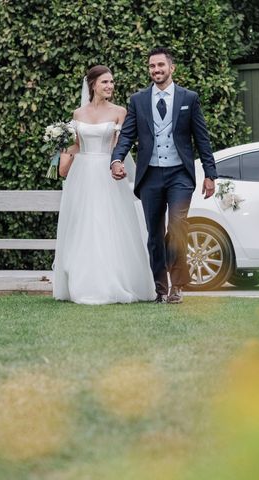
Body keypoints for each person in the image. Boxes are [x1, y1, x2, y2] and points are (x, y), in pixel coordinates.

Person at [111, 47, 217, 304]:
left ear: (172, 68)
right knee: (155, 235)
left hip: (179, 174)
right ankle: (160, 288)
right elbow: (127, 134)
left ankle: (177, 286)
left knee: (178, 227)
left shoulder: (188, 98)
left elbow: (201, 137)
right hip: (151, 176)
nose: (156, 70)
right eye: (152, 66)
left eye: (160, 65)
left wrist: (210, 173)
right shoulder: (138, 100)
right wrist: (116, 158)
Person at [53, 65, 156, 304]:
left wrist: (117, 164)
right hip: (83, 174)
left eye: (111, 82)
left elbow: (122, 144)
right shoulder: (78, 114)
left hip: (107, 172)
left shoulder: (120, 112)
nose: (110, 86)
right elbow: (76, 145)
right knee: (83, 225)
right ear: (92, 85)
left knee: (107, 224)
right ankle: (83, 282)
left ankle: (113, 281)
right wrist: (59, 152)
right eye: (105, 82)